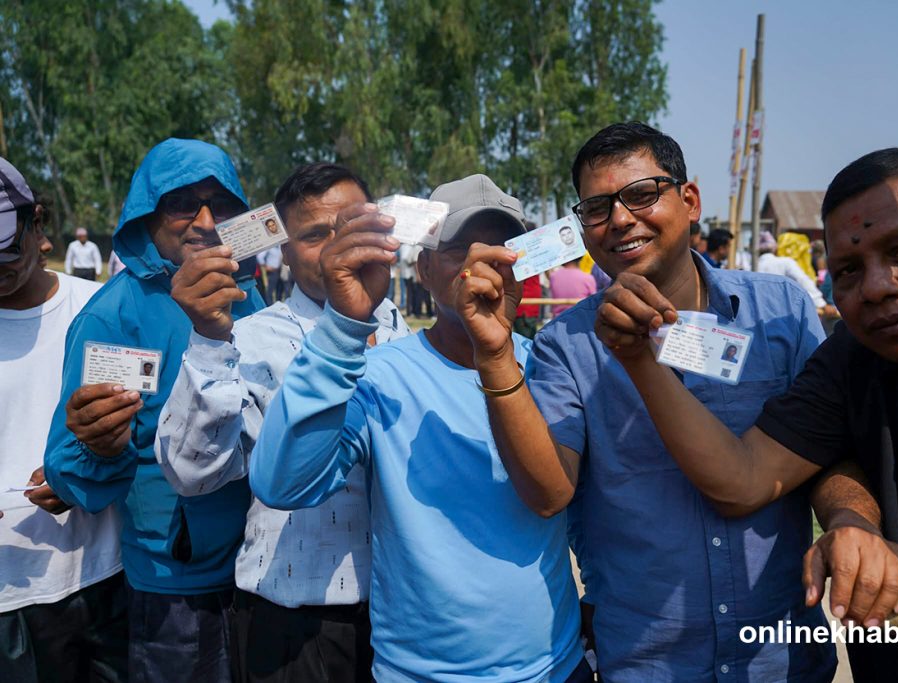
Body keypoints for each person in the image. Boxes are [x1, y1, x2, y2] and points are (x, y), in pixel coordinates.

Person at [589, 147, 898, 681]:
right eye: (850, 269)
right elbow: (744, 479)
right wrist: (854, 521)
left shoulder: (783, 309)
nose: (878, 286)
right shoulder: (853, 360)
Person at [458, 122, 853, 681]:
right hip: (648, 662)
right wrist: (495, 355)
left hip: (782, 657)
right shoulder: (565, 346)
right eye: (597, 208)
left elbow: (830, 448)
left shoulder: (781, 312)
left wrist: (848, 519)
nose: (620, 219)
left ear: (689, 201)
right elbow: (548, 493)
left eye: (642, 195)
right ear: (581, 228)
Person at [249, 174, 587, 682]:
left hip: (554, 668)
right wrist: (342, 327)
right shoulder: (381, 376)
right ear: (424, 270)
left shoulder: (551, 371)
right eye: (459, 251)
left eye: (501, 249)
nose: (482, 266)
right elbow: (283, 484)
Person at [157, 162, 409, 682]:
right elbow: (191, 474)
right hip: (296, 612)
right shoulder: (249, 338)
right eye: (317, 235)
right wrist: (207, 340)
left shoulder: (401, 328)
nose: (339, 247)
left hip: (403, 608)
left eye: (351, 227)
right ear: (285, 252)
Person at [43, 138, 265, 683]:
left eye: (220, 204)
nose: (205, 221)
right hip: (173, 588)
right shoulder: (112, 317)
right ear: (149, 214)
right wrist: (100, 444)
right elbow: (68, 468)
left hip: (259, 572)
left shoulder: (249, 297)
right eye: (183, 203)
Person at [0, 158, 127, 683]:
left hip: (109, 576)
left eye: (6, 248)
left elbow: (139, 426)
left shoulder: (99, 310)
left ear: (37, 225)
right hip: (11, 594)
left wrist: (82, 472)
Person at [755, 230, 827, 310]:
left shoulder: (750, 266)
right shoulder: (786, 262)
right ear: (775, 248)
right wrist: (821, 304)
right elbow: (803, 281)